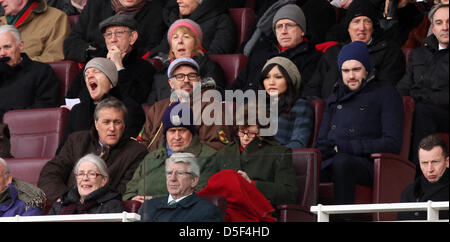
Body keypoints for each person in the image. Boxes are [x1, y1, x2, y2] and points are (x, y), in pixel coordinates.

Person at [316, 41, 404, 213]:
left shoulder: (386, 94)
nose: (351, 76)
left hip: (370, 164)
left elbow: (392, 143)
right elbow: (321, 141)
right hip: (333, 160)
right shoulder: (334, 97)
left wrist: (345, 147)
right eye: (346, 71)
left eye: (356, 69)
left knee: (342, 162)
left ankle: (345, 218)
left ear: (367, 69)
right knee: (304, 166)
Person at [38, 97, 148, 202]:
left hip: (104, 212)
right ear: (96, 124)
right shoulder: (76, 141)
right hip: (68, 208)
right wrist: (64, 199)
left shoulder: (136, 152)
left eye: (117, 122)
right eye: (106, 122)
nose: (112, 128)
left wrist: (88, 204)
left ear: (123, 125)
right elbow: (50, 173)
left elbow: (124, 190)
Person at [303, 0, 406, 99]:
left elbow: (386, 90)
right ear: (348, 27)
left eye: (367, 21)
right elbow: (313, 87)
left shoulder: (389, 52)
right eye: (356, 22)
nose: (361, 27)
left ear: (373, 27)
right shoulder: (333, 52)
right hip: (329, 110)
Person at [124, 102, 217, 202]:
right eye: (172, 131)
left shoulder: (209, 157)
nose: (177, 137)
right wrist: (133, 199)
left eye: (182, 130)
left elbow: (201, 195)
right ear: (166, 134)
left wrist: (155, 201)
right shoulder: (151, 157)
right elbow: (130, 190)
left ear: (191, 132)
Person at [137, 57, 233, 152]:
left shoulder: (211, 106)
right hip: (153, 163)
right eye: (180, 76)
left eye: (191, 76)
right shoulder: (158, 108)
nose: (186, 80)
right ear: (171, 83)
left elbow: (218, 146)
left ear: (199, 80)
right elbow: (142, 142)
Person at [396, 3, 448, 166]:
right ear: (433, 28)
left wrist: (417, 98)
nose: (445, 27)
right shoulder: (418, 54)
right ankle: (394, 167)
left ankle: (418, 172)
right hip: (419, 107)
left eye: (449, 22)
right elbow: (403, 86)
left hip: (444, 112)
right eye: (439, 23)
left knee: (421, 112)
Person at [230, 4, 322, 95]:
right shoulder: (260, 53)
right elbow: (237, 84)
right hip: (242, 104)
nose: (283, 31)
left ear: (302, 31)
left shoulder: (312, 57)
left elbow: (297, 93)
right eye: (279, 27)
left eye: (289, 25)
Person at [58, 58, 145, 153]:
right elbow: (63, 151)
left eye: (97, 71)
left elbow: (127, 150)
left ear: (111, 82)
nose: (89, 76)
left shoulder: (129, 108)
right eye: (86, 74)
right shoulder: (77, 111)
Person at [66, 14, 155, 106]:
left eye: (119, 33)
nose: (113, 39)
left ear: (132, 37)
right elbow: (71, 97)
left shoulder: (144, 67)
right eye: (108, 35)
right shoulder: (94, 64)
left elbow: (134, 100)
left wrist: (118, 66)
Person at [0, 25, 60, 158]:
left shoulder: (41, 71)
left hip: (24, 139)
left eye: (7, 47)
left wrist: (10, 116)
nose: (2, 54)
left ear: (20, 46)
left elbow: (45, 108)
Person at [146, 19, 225, 105]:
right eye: (175, 37)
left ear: (196, 44)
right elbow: (151, 107)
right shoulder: (161, 74)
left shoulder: (209, 67)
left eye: (186, 37)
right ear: (171, 47)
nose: (180, 41)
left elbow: (213, 97)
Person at [63, 0, 166, 63]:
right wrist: (91, 52)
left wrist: (123, 56)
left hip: (133, 72)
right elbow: (71, 43)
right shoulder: (96, 5)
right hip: (94, 67)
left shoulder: (156, 12)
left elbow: (154, 49)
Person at [138, 152, 222, 222]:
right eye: (169, 173)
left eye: (180, 173)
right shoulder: (148, 206)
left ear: (193, 180)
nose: (172, 178)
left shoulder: (206, 211)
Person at [260, 56, 313, 148]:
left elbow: (298, 143)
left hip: (278, 158)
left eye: (278, 77)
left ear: (290, 79)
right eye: (267, 77)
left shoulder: (301, 105)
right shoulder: (259, 106)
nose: (271, 82)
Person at [150, 0, 236, 57]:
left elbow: (218, 56)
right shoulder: (176, 20)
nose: (178, 1)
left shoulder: (222, 20)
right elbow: (162, 49)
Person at [48, 154, 125, 215]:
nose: (85, 178)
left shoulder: (113, 206)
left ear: (104, 180)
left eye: (92, 174)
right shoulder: (61, 204)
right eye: (81, 174)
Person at [397, 134, 449, 221]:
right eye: (424, 163)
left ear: (447, 162)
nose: (430, 169)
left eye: (435, 162)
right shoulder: (408, 191)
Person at [0, 0, 70, 62]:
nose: (1, 1)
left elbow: (55, 56)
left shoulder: (55, 18)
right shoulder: (1, 21)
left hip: (29, 75)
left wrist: (18, 63)